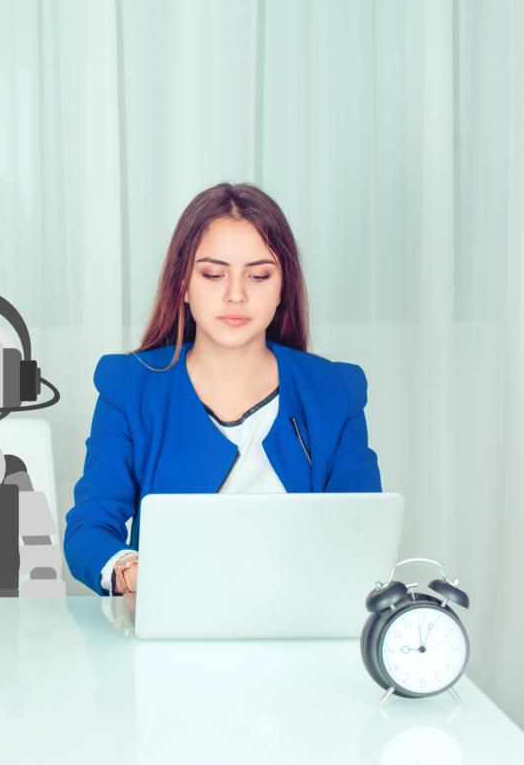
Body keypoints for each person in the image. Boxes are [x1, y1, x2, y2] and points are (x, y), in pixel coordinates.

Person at [63, 182, 381, 596]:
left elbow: (361, 537)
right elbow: (89, 528)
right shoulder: (130, 385)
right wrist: (136, 575)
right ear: (183, 283)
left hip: (298, 622)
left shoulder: (336, 391)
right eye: (213, 274)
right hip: (177, 622)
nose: (236, 295)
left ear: (282, 287)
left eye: (259, 275)